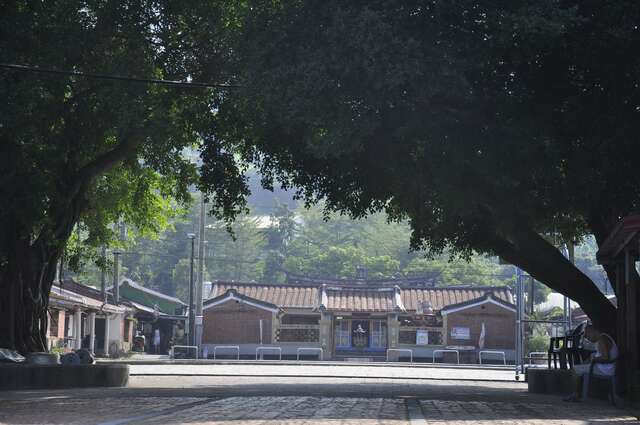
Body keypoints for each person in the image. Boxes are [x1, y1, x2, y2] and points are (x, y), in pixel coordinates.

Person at [564, 324, 618, 402]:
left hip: (604, 370)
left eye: (587, 335)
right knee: (581, 366)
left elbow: (605, 357)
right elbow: (601, 354)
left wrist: (594, 359)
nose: (587, 338)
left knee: (574, 370)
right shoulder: (603, 338)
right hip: (606, 368)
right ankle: (577, 392)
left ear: (594, 331)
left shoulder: (602, 339)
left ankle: (575, 394)